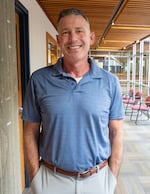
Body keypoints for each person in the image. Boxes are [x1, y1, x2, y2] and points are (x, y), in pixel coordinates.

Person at [22, 8, 124, 194]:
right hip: (51, 179)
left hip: (98, 180)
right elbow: (30, 132)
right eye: (65, 33)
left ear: (91, 37)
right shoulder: (39, 80)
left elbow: (116, 132)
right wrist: (35, 176)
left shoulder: (110, 82)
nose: (73, 39)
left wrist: (112, 177)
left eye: (79, 31)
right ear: (58, 39)